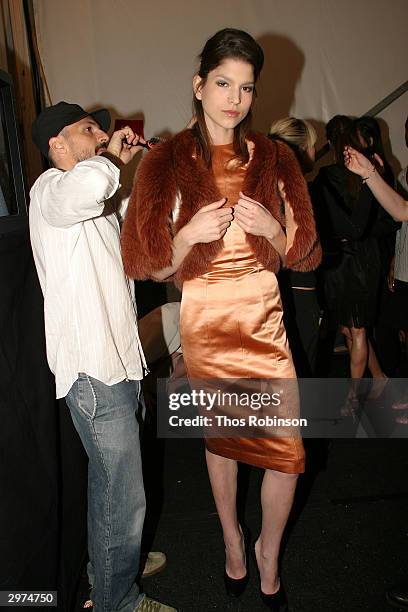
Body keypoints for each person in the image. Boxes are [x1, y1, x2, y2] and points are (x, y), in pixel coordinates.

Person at [122, 29, 321, 611]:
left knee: (288, 452)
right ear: (199, 85)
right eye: (223, 83)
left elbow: (307, 253)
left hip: (265, 319)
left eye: (246, 87)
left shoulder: (276, 156)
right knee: (224, 444)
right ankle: (232, 539)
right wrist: (184, 240)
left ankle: (268, 551)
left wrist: (277, 234)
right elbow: (143, 261)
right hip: (207, 320)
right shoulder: (163, 161)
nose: (234, 98)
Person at [29, 101, 176, 612]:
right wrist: (111, 160)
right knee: (124, 493)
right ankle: (119, 601)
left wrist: (148, 172)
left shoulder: (94, 200)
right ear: (58, 146)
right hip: (94, 371)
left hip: (118, 364)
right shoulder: (49, 191)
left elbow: (139, 231)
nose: (102, 135)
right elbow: (89, 187)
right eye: (88, 130)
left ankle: (110, 568)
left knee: (109, 486)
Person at [311, 115, 387, 412]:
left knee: (355, 330)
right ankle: (378, 377)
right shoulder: (369, 172)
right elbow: (387, 221)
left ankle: (353, 400)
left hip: (345, 263)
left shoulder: (327, 177)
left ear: (330, 142)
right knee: (353, 329)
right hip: (364, 259)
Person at [269, 117, 320, 376]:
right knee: (301, 370)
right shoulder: (298, 189)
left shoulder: (263, 184)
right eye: (312, 145)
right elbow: (305, 249)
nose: (315, 152)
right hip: (299, 288)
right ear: (300, 149)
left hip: (270, 290)